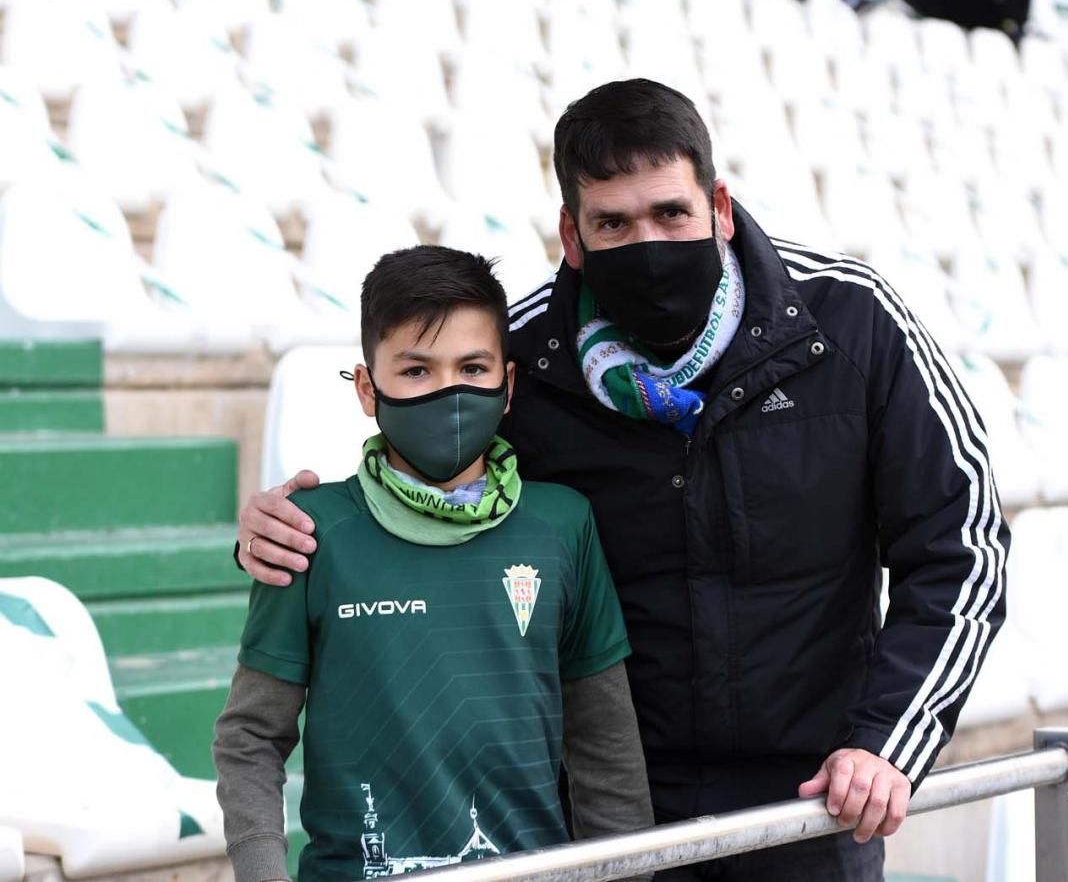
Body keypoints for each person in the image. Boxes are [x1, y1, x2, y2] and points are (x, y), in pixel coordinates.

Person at [236, 79, 1009, 881]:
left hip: (813, 803)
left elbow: (965, 547)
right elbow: (418, 494)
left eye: (670, 213)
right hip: (602, 819)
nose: (648, 242)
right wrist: (284, 526)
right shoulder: (525, 361)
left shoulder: (851, 321)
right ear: (571, 234)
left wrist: (887, 742)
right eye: (613, 222)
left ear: (720, 208)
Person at [213, 246, 653, 881]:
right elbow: (251, 738)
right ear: (368, 388)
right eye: (416, 371)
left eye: (473, 368)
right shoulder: (310, 531)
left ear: (508, 386)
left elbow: (604, 743)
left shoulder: (563, 524)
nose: (449, 394)